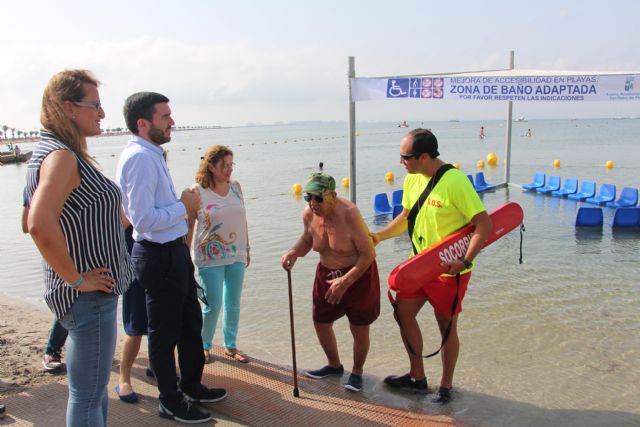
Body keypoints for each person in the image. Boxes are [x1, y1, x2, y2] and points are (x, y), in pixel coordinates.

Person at [24, 69, 134, 426]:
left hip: (83, 298)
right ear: (70, 108)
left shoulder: (48, 152)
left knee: (90, 393)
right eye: (96, 106)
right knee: (88, 398)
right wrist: (75, 279)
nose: (102, 114)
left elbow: (28, 218)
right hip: (88, 298)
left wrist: (98, 219)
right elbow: (37, 224)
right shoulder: (62, 157)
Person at [116, 92, 226, 424]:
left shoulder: (153, 155)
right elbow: (143, 219)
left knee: (190, 323)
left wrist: (183, 215)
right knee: (163, 335)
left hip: (172, 252)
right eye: (165, 116)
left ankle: (191, 384)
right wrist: (185, 206)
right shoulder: (140, 158)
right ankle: (170, 400)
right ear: (143, 123)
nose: (172, 122)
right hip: (155, 254)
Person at [371, 128, 491, 404]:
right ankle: (417, 377)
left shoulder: (455, 182)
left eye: (405, 156)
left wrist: (465, 260)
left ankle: (446, 386)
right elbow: (404, 216)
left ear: (424, 156)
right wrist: (378, 236)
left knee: (446, 325)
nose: (401, 161)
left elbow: (484, 224)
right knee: (402, 312)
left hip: (451, 268)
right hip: (420, 265)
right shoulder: (412, 178)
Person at [281, 173, 379, 393]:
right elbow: (307, 240)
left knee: (359, 327)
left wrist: (346, 281)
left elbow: (368, 253)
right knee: (321, 322)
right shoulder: (309, 213)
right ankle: (334, 365)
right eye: (308, 198)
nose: (312, 203)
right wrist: (293, 252)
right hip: (326, 273)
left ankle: (357, 372)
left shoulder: (350, 215)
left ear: (333, 195)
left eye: (318, 198)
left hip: (357, 274)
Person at [189, 145, 250, 364]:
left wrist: (248, 249)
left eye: (231, 164)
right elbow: (188, 227)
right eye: (224, 165)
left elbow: (242, 220)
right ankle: (203, 346)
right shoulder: (197, 192)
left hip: (238, 253)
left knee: (233, 302)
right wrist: (185, 258)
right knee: (212, 305)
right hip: (209, 256)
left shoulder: (236, 187)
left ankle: (230, 345)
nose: (229, 169)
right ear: (211, 166)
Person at [22, 191, 69, 373]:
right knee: (66, 301)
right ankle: (52, 351)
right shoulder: (36, 185)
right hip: (59, 252)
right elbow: (27, 225)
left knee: (70, 302)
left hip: (67, 251)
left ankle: (58, 349)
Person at [115, 225, 151, 404]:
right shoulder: (122, 196)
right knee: (135, 326)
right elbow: (119, 224)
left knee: (159, 322)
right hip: (133, 263)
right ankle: (123, 379)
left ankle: (155, 366)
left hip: (157, 258)